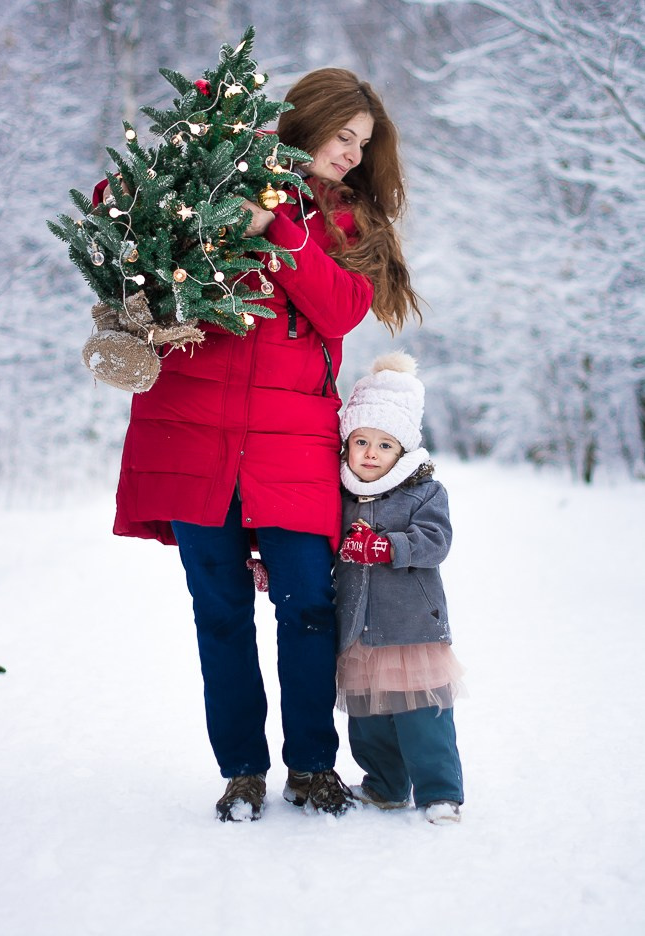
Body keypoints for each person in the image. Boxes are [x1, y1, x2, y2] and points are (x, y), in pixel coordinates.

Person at [110, 68, 422, 821]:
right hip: (191, 428)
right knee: (217, 608)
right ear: (306, 119)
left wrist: (278, 228)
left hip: (291, 441)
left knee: (308, 604)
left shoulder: (344, 220)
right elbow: (139, 243)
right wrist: (125, 212)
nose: (349, 154)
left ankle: (312, 765)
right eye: (342, 136)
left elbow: (341, 309)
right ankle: (241, 770)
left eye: (361, 145)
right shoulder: (211, 179)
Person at [335, 352, 465, 824]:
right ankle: (383, 785)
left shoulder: (424, 492)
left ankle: (440, 793)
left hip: (412, 627)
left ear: (404, 451)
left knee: (422, 718)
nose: (370, 453)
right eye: (361, 441)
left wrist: (387, 547)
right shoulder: (340, 494)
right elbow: (319, 543)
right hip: (359, 627)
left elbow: (437, 541)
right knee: (368, 720)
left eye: (384, 445)